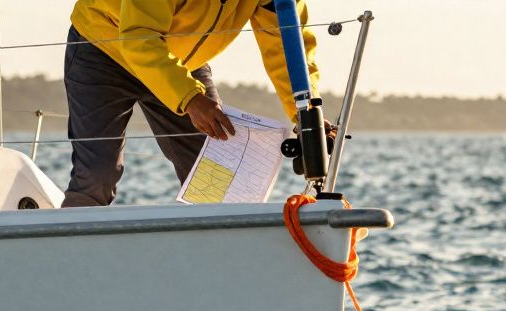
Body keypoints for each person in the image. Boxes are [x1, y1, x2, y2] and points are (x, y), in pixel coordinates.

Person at [63, 0, 319, 207]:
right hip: (104, 48)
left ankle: (220, 261)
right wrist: (190, 99)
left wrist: (307, 114)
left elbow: (288, 43)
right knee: (97, 175)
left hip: (180, 63)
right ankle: (67, 259)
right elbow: (137, 36)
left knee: (214, 176)